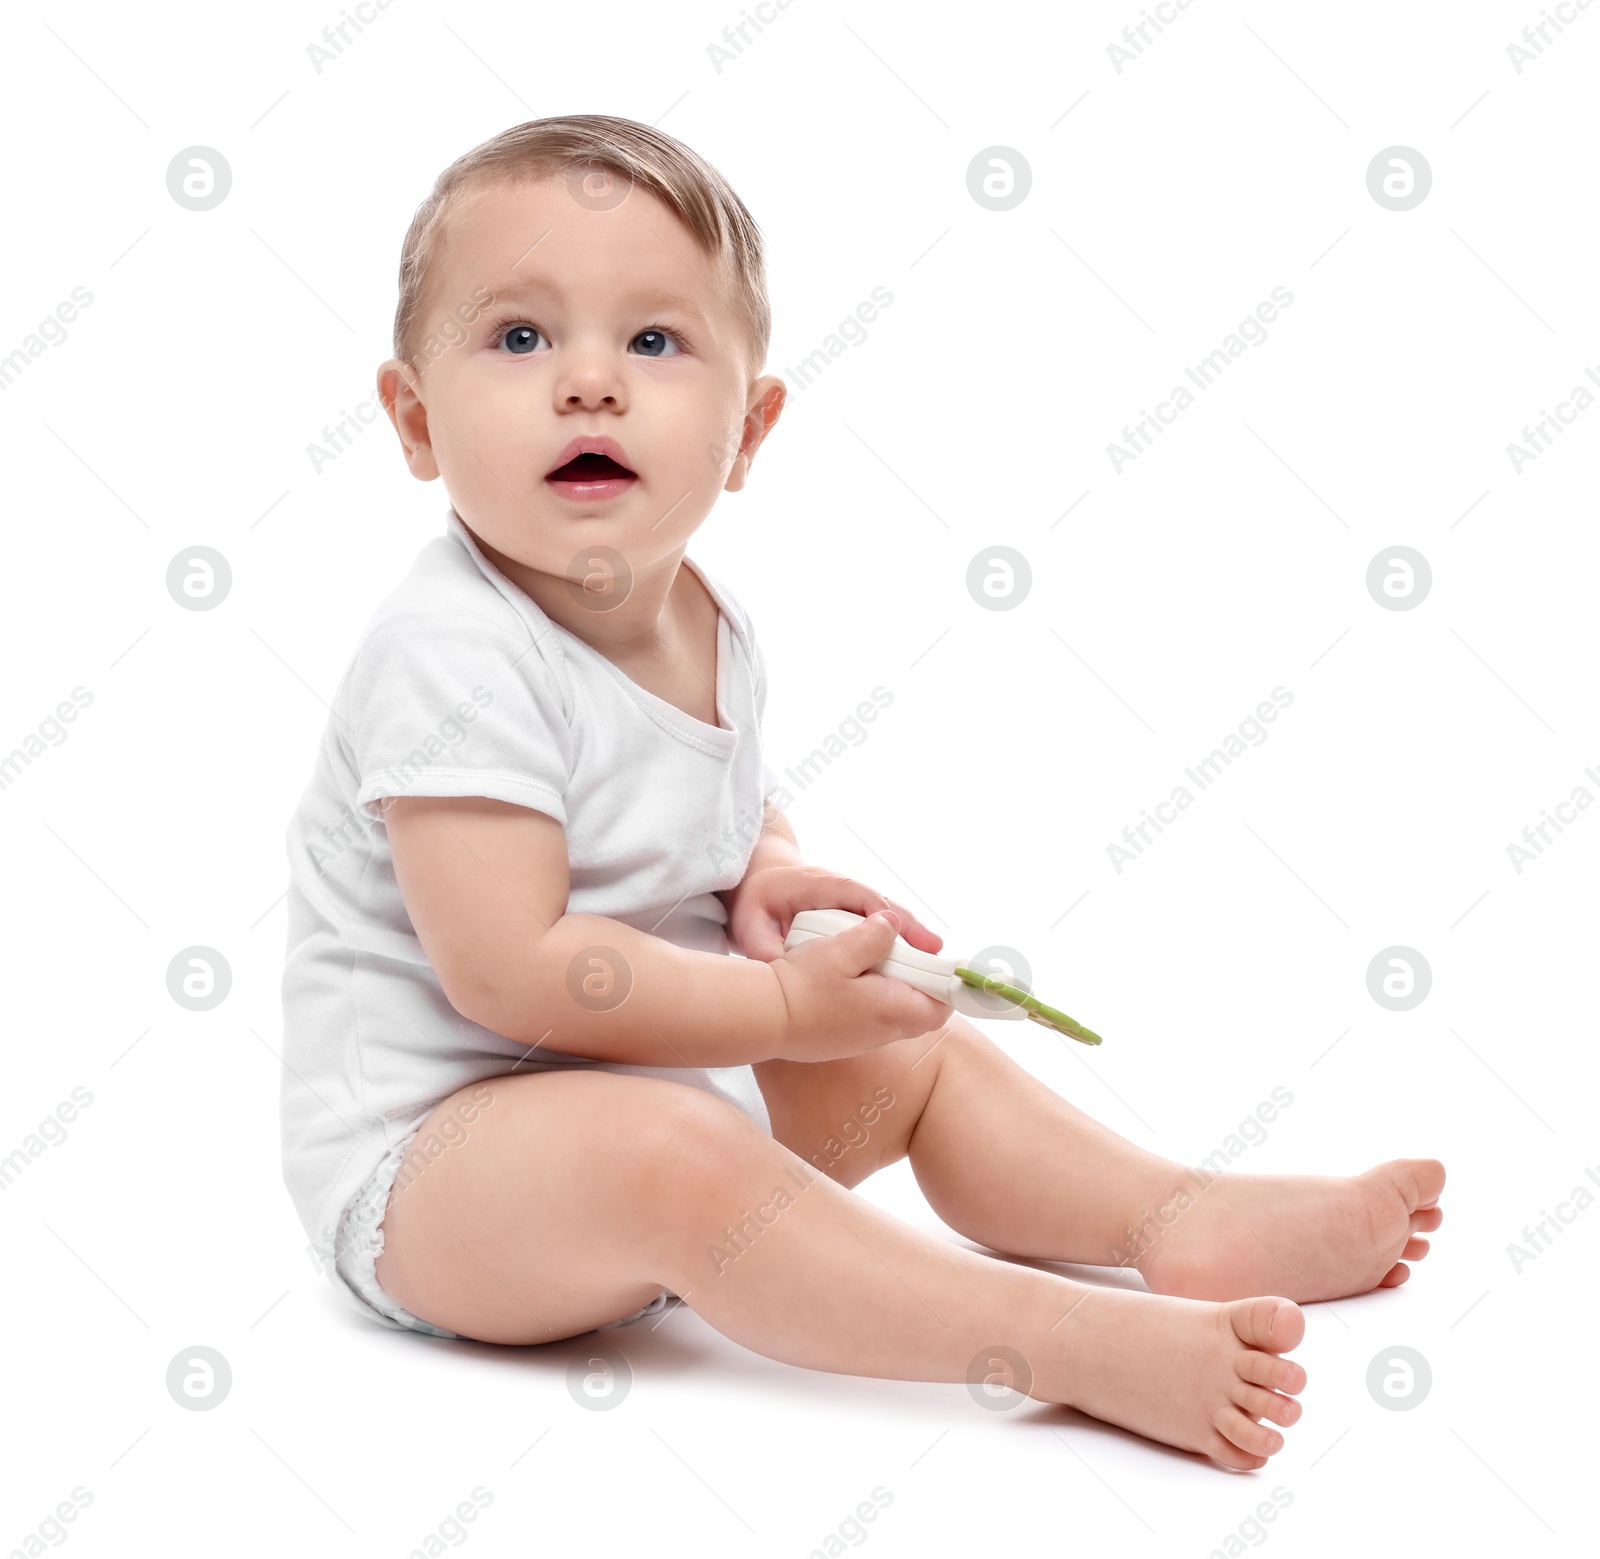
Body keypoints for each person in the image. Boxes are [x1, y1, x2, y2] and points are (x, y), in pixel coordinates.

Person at [278, 114, 1445, 1471]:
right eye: (520, 337)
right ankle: (1052, 1342)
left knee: (904, 1044)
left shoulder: (704, 621)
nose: (588, 383)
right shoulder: (452, 656)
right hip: (433, 1191)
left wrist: (766, 873)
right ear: (416, 422)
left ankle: (1165, 1216)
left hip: (658, 1124)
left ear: (749, 429)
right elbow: (513, 972)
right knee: (674, 1147)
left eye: (653, 342)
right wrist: (775, 1007)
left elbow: (704, 814)